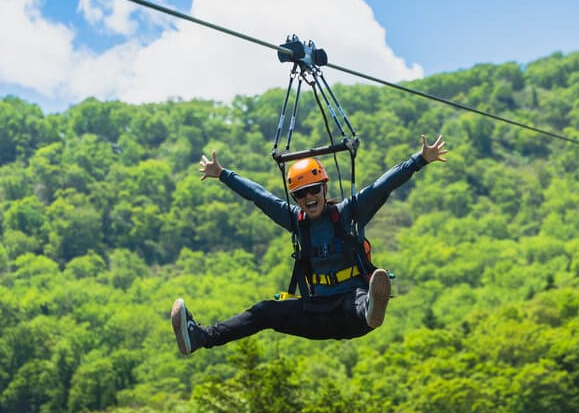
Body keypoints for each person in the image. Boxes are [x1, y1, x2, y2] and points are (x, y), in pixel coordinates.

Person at [171, 134, 448, 355]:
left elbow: (382, 186)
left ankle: (372, 309)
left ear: (324, 188)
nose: (309, 197)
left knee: (358, 300)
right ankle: (200, 338)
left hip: (351, 309)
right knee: (265, 311)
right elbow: (260, 196)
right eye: (301, 193)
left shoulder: (349, 212)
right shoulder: (296, 220)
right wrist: (223, 174)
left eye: (314, 189)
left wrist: (420, 159)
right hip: (316, 312)